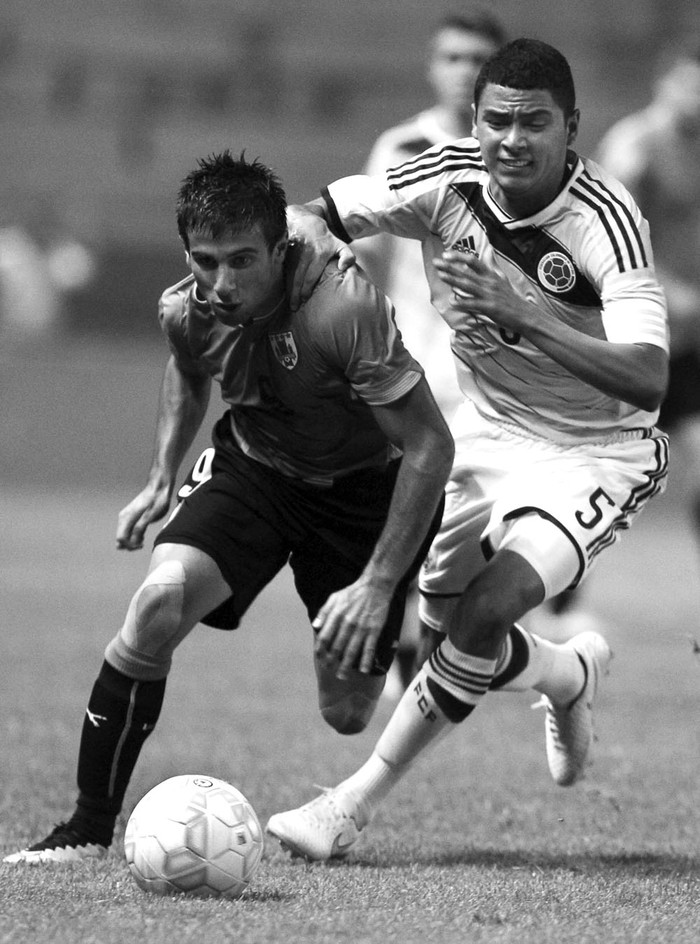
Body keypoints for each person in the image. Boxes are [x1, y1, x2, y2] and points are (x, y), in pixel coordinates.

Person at [265, 38, 670, 861]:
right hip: (486, 435)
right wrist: (318, 266)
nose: (511, 141)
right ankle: (564, 674)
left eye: (533, 123)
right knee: (449, 629)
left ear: (572, 128)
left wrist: (528, 316)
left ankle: (348, 805)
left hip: (598, 449)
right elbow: (313, 216)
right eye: (496, 121)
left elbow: (648, 377)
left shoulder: (609, 220)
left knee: (485, 611)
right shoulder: (443, 175)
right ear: (476, 122)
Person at [4, 151, 454, 864]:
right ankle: (87, 828)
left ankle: (408, 609)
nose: (222, 282)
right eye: (205, 260)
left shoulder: (343, 306)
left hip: (364, 493)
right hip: (256, 467)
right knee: (158, 601)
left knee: (346, 713)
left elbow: (430, 446)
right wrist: (161, 476)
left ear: (282, 248)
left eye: (243, 260)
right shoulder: (185, 308)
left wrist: (372, 586)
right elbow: (188, 368)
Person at [355, 9, 506, 696]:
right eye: (452, 57)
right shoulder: (403, 145)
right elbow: (361, 252)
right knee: (399, 510)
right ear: (431, 65)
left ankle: (442, 648)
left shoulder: (516, 153)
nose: (464, 70)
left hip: (493, 370)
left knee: (474, 520)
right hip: (411, 358)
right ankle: (395, 646)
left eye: (478, 58)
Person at [596, 36, 700, 576]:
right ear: (666, 81)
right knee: (600, 468)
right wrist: (666, 287)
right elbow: (605, 235)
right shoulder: (637, 145)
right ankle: (555, 597)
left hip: (685, 342)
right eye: (690, 81)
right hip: (630, 333)